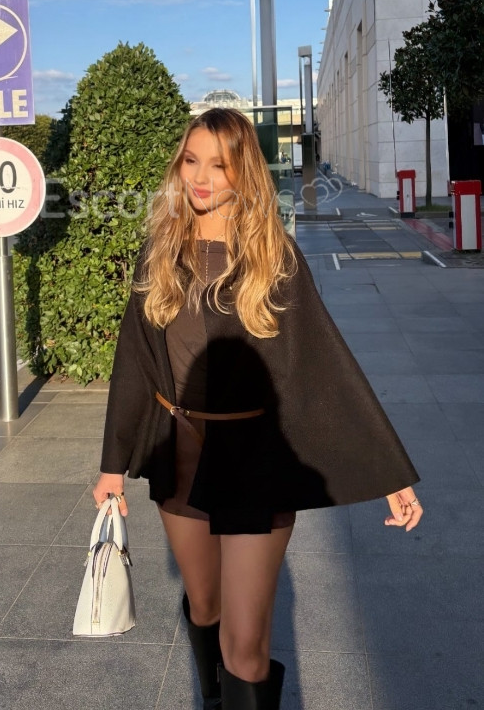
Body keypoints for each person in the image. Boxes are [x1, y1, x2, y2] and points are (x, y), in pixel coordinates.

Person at [93, 108, 423, 710]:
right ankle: (214, 698)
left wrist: (389, 472)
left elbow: (324, 362)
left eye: (219, 166)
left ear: (243, 172)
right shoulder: (160, 253)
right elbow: (134, 361)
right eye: (191, 161)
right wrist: (112, 465)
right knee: (205, 606)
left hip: (253, 464)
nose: (201, 178)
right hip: (179, 455)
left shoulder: (275, 259)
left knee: (245, 644)